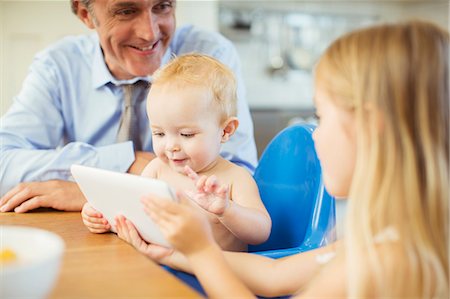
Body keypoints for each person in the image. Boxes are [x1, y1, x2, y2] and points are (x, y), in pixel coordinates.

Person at [115, 20, 449, 298]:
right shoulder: (395, 240)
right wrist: (181, 253)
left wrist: (202, 252)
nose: (314, 134)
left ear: (370, 127)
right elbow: (274, 275)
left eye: (322, 116)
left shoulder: (383, 260)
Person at [0, 0, 257, 213]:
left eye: (162, 6)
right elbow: (4, 163)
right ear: (84, 13)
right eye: (126, 11)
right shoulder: (58, 66)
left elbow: (237, 179)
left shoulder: (210, 56)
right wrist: (126, 161)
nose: (150, 33)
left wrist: (103, 192)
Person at [82, 54, 271, 251]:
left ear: (225, 130)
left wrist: (227, 210)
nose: (171, 145)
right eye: (159, 133)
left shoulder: (235, 179)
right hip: (165, 267)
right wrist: (102, 215)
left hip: (216, 276)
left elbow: (261, 232)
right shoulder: (157, 170)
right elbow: (134, 215)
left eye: (186, 134)